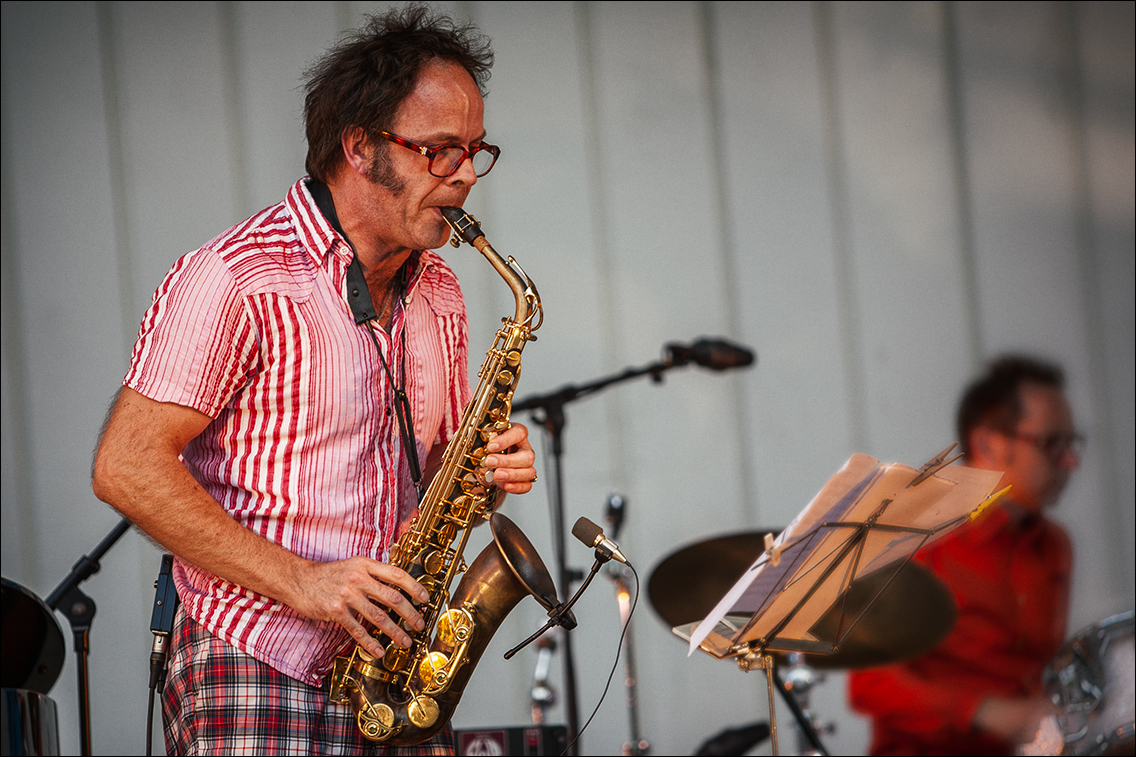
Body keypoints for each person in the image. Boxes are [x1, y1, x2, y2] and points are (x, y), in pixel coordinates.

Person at [92, 6, 536, 754]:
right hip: (255, 663)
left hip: (390, 679)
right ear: (360, 147)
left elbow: (438, 483)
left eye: (474, 150)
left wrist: (485, 474)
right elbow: (125, 466)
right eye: (439, 151)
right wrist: (305, 581)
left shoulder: (442, 293)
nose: (464, 174)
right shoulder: (239, 277)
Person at [849, 356, 1080, 755]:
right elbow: (870, 683)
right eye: (1051, 443)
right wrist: (990, 712)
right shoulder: (915, 535)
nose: (1071, 461)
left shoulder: (1054, 544)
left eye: (1072, 443)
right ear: (988, 443)